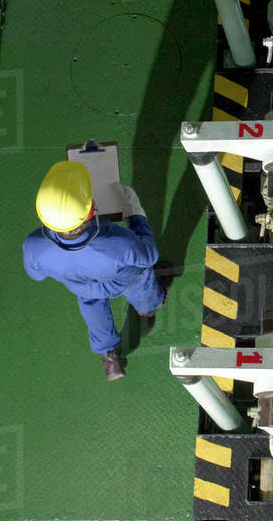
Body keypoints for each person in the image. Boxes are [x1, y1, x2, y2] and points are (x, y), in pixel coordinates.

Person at [23, 161, 166, 381]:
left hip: (82, 287)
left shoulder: (34, 245)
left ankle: (110, 358)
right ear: (91, 210)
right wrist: (137, 216)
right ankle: (147, 308)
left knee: (92, 309)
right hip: (121, 279)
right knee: (140, 279)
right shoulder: (117, 241)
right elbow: (149, 255)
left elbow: (36, 274)